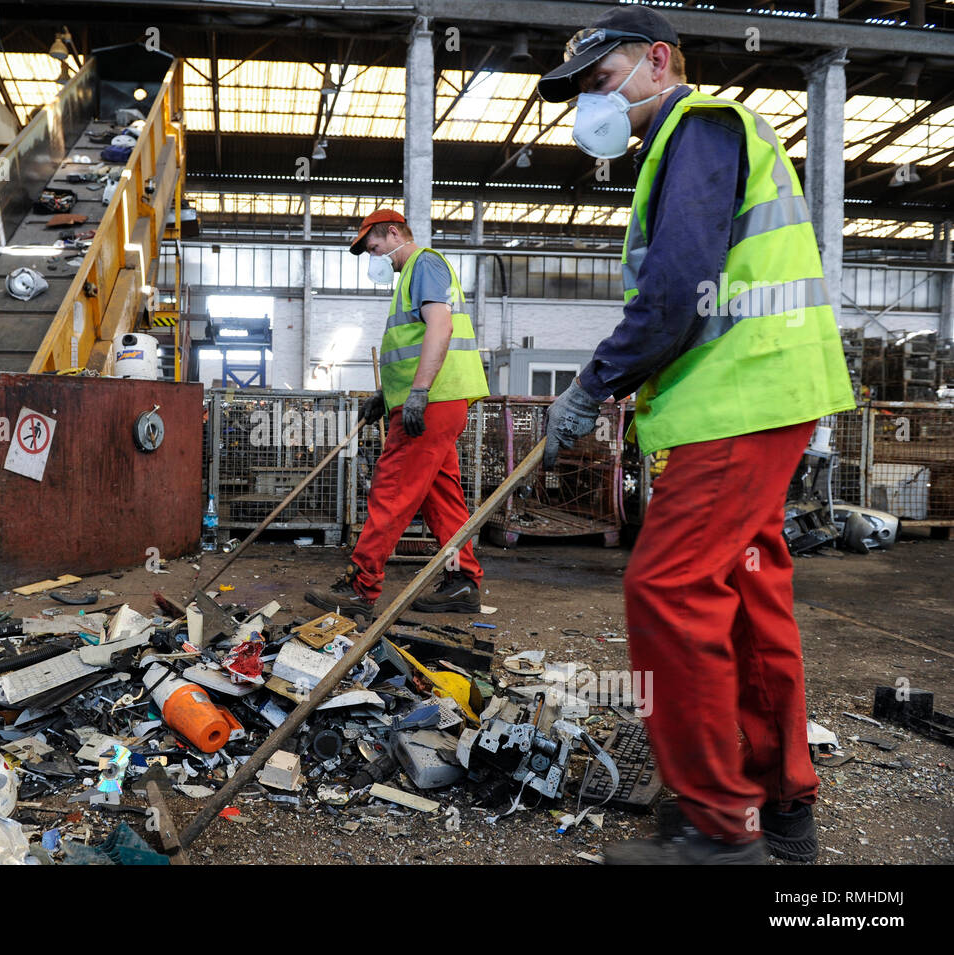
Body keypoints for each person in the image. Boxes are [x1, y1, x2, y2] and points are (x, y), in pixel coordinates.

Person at [537, 5, 856, 864]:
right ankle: (779, 806)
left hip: (737, 401)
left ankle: (721, 828)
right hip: (763, 396)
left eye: (599, 84)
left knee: (668, 589)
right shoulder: (700, 143)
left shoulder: (700, 127)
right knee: (748, 599)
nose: (590, 109)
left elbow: (678, 291)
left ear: (657, 60)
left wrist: (594, 384)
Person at [304, 209, 490, 620]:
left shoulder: (423, 263)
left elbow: (440, 327)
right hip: (439, 401)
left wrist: (418, 392)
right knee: (442, 498)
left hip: (431, 402)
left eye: (374, 247)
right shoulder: (413, 274)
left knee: (391, 491)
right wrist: (385, 394)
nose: (376, 257)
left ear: (393, 232)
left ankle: (360, 586)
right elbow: (414, 342)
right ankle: (463, 582)